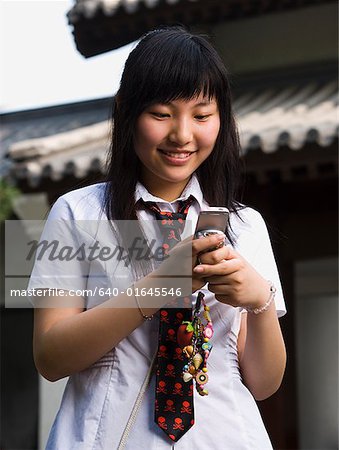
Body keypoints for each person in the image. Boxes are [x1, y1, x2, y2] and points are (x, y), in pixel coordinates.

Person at [30, 27, 286, 449]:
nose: (183, 135)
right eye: (162, 114)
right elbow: (50, 358)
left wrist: (260, 299)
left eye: (202, 115)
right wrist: (162, 285)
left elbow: (263, 383)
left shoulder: (247, 225)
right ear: (126, 112)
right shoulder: (74, 212)